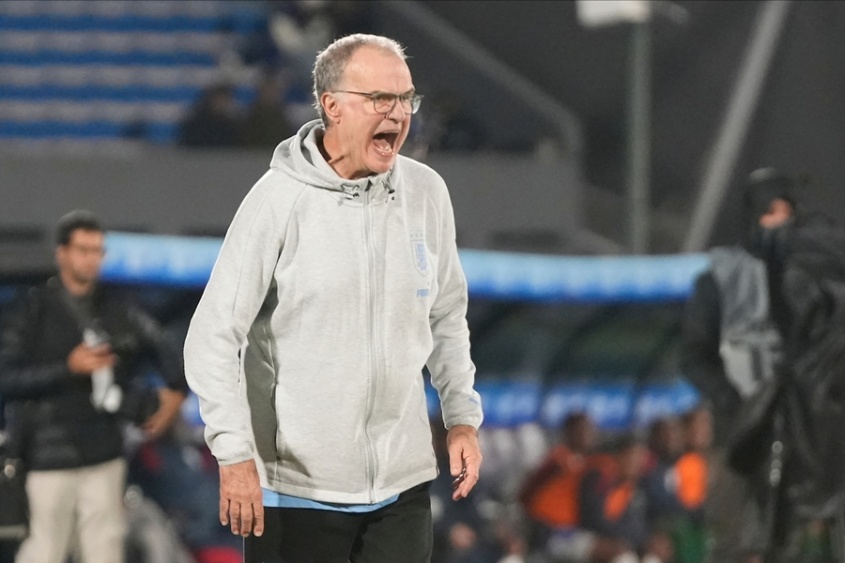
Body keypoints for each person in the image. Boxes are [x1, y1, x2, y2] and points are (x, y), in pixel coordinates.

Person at [183, 33, 484, 563]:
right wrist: (233, 454)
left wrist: (461, 416)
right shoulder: (277, 201)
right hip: (296, 493)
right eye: (380, 99)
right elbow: (212, 338)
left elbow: (445, 316)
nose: (398, 113)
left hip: (403, 488)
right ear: (332, 106)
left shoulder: (427, 193)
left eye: (406, 99)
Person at [0, 210, 188, 563]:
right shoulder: (33, 310)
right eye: (83, 250)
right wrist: (68, 369)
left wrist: (175, 395)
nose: (91, 259)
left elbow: (165, 346)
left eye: (97, 251)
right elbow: (7, 379)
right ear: (62, 253)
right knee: (43, 550)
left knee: (105, 550)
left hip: (104, 451)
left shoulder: (117, 309)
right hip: (47, 455)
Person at [682, 168, 845, 562]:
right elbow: (695, 355)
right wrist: (734, 403)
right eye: (770, 212)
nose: (780, 221)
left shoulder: (815, 266)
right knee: (741, 540)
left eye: (787, 211)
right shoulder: (720, 280)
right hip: (742, 433)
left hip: (808, 429)